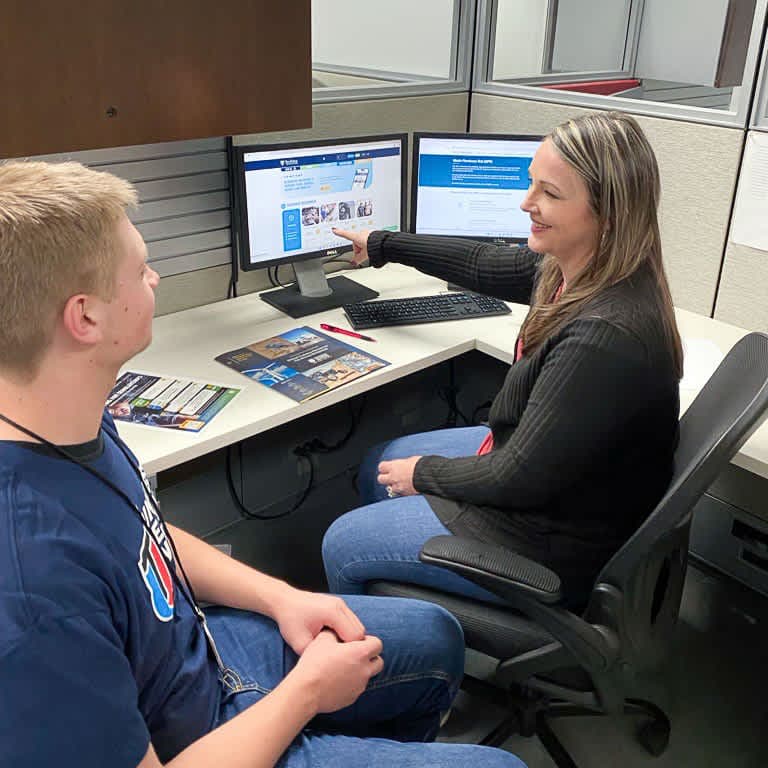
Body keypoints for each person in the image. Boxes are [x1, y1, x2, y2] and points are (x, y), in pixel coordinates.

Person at [0, 161, 526, 768]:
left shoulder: (62, 412)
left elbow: (144, 538)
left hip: (200, 660)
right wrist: (305, 696)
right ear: (85, 317)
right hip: (192, 742)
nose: (157, 277)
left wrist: (282, 598)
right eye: (140, 269)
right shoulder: (30, 583)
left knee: (433, 638)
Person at [322, 112, 683, 610]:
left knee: (343, 543)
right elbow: (482, 263)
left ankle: (401, 664)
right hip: (552, 481)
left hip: (550, 538)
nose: (526, 203)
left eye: (550, 194)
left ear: (610, 213)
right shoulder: (577, 268)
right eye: (531, 183)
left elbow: (518, 477)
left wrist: (424, 473)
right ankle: (417, 609)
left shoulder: (604, 336)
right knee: (378, 464)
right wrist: (383, 244)